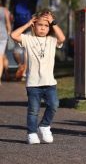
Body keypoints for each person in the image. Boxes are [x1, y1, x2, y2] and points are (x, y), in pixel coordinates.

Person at [11, 9, 65, 144]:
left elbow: (62, 38)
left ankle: (45, 125)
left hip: (49, 83)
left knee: (54, 105)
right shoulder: (28, 39)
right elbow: (13, 35)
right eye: (40, 24)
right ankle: (32, 133)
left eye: (46, 25)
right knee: (33, 110)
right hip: (33, 83)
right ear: (34, 25)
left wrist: (53, 23)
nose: (43, 28)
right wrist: (28, 23)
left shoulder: (52, 40)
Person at [10, 0, 37, 81]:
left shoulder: (14, 1)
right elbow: (34, 13)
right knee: (27, 48)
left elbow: (11, 15)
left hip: (17, 27)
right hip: (28, 26)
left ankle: (20, 64)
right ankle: (25, 70)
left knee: (16, 49)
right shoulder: (31, 1)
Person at [0, 0, 11, 84]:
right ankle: (6, 72)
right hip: (3, 36)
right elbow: (8, 23)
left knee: (0, 56)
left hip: (2, 36)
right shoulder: (5, 11)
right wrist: (9, 34)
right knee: (2, 55)